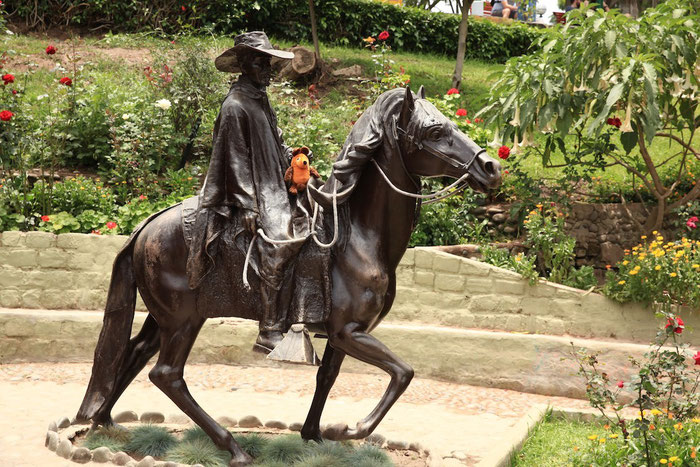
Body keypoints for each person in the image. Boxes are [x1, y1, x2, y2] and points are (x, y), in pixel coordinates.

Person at [187, 31, 307, 354]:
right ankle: (268, 329)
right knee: (280, 240)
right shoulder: (234, 106)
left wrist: (292, 162)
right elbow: (234, 162)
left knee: (311, 215)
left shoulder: (259, 98)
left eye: (267, 63)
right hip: (255, 193)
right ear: (243, 64)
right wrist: (249, 206)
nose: (267, 69)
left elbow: (276, 140)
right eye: (259, 62)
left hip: (275, 183)